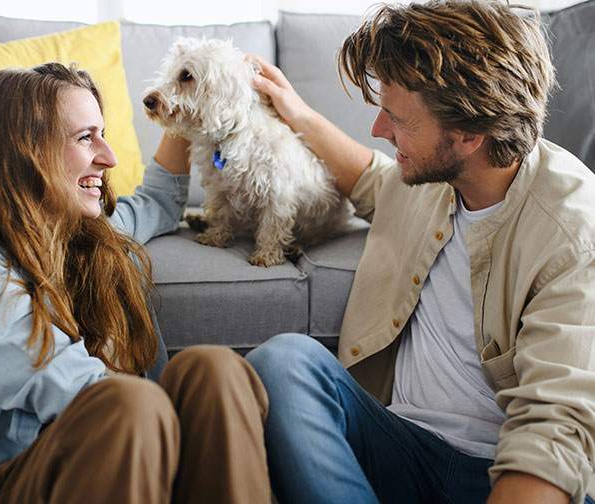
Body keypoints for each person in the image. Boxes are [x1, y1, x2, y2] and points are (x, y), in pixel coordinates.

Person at [245, 1, 595, 503]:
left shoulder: (575, 233)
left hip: (497, 474)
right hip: (403, 444)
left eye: (396, 118)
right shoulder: (434, 178)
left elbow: (553, 437)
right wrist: (295, 111)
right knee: (283, 363)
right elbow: (370, 178)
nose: (379, 130)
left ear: (469, 133)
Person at [0, 62, 271, 504]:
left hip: (133, 454)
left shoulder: (89, 234)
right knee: (127, 404)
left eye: (103, 134)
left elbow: (157, 202)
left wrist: (187, 97)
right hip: (10, 487)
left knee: (215, 372)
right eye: (85, 137)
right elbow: (65, 387)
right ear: (21, 151)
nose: (109, 157)